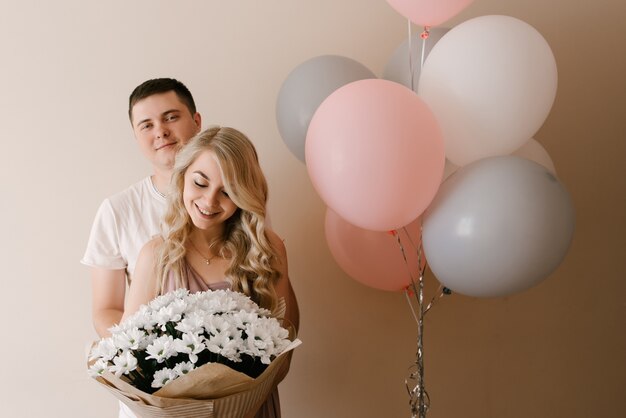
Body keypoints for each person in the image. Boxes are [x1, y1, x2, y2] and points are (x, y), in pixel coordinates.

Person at [123, 126, 299, 418]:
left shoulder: (267, 250)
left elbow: (282, 357)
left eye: (227, 192)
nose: (209, 201)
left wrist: (236, 405)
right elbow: (130, 360)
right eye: (200, 183)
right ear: (182, 178)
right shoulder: (156, 255)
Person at [82, 78, 202, 338]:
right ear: (136, 136)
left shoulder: (235, 197)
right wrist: (151, 354)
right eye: (146, 125)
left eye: (171, 117)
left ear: (197, 121)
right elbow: (107, 310)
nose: (160, 131)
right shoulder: (116, 210)